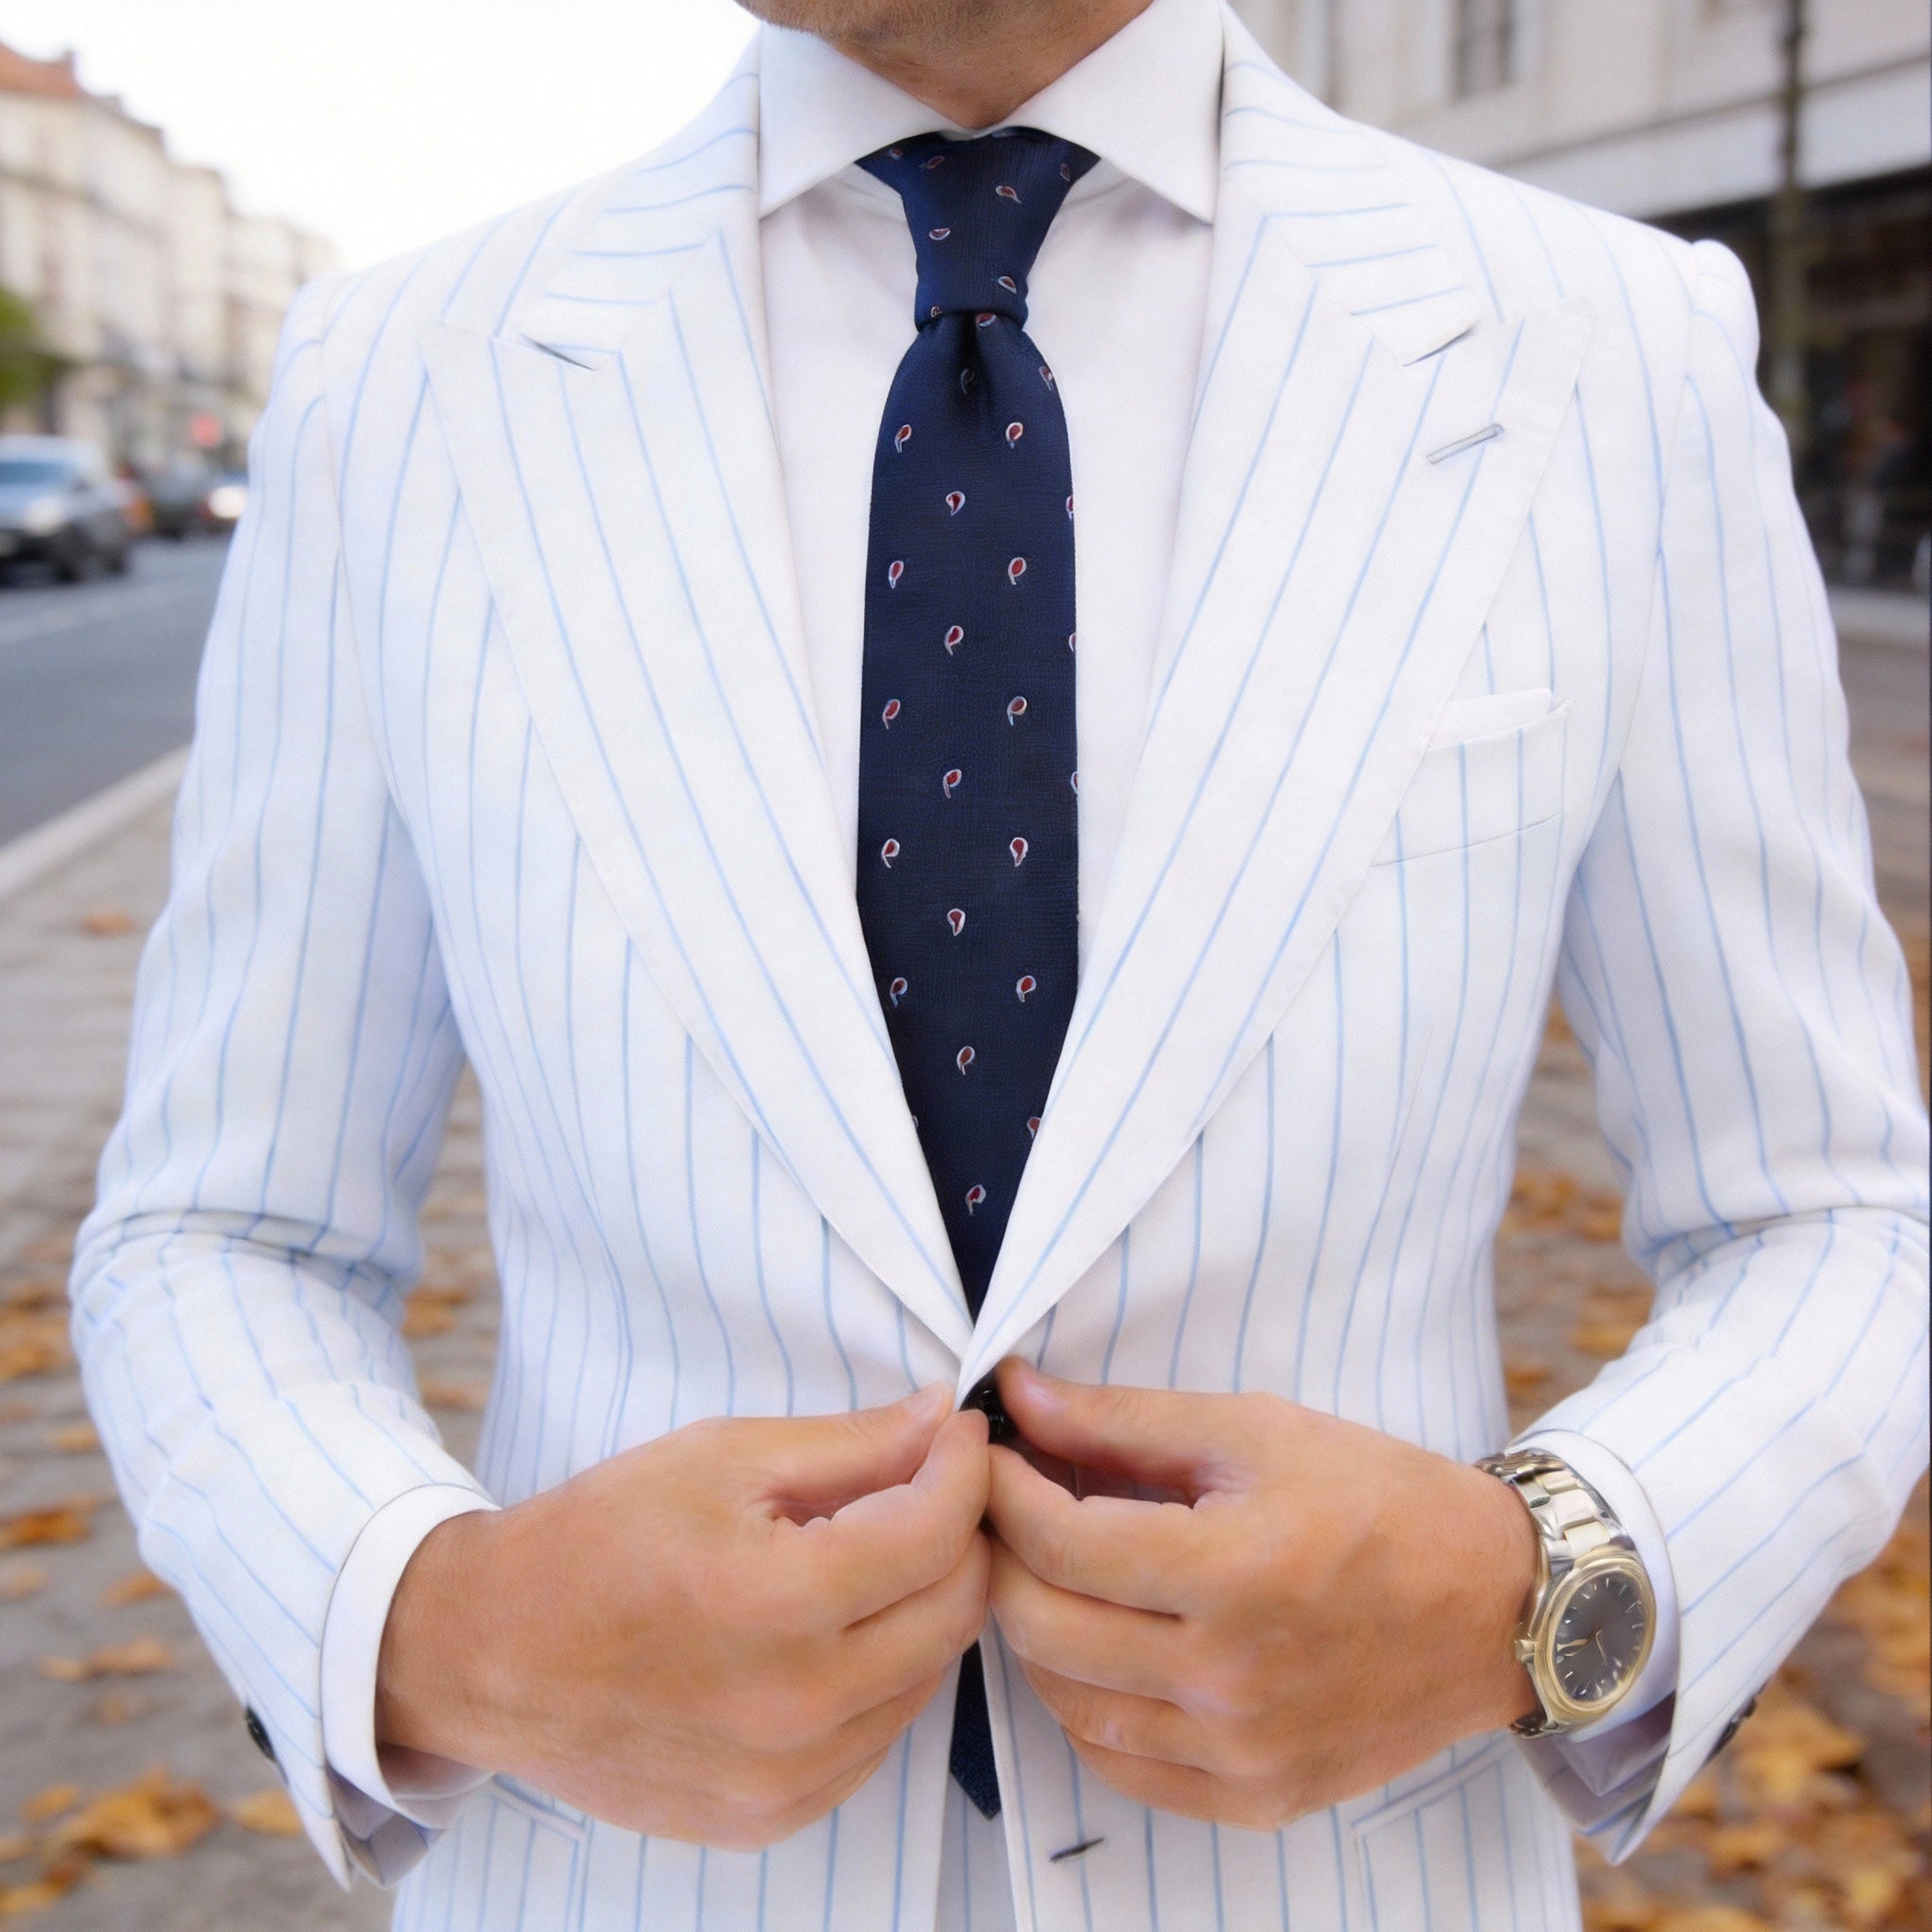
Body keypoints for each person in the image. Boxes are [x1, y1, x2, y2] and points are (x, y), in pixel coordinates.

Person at [71, 0, 1928, 1925]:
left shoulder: (1608, 351)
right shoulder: (401, 384)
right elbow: (225, 1225)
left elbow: (1828, 1209)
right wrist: (442, 1628)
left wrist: (1533, 1586)